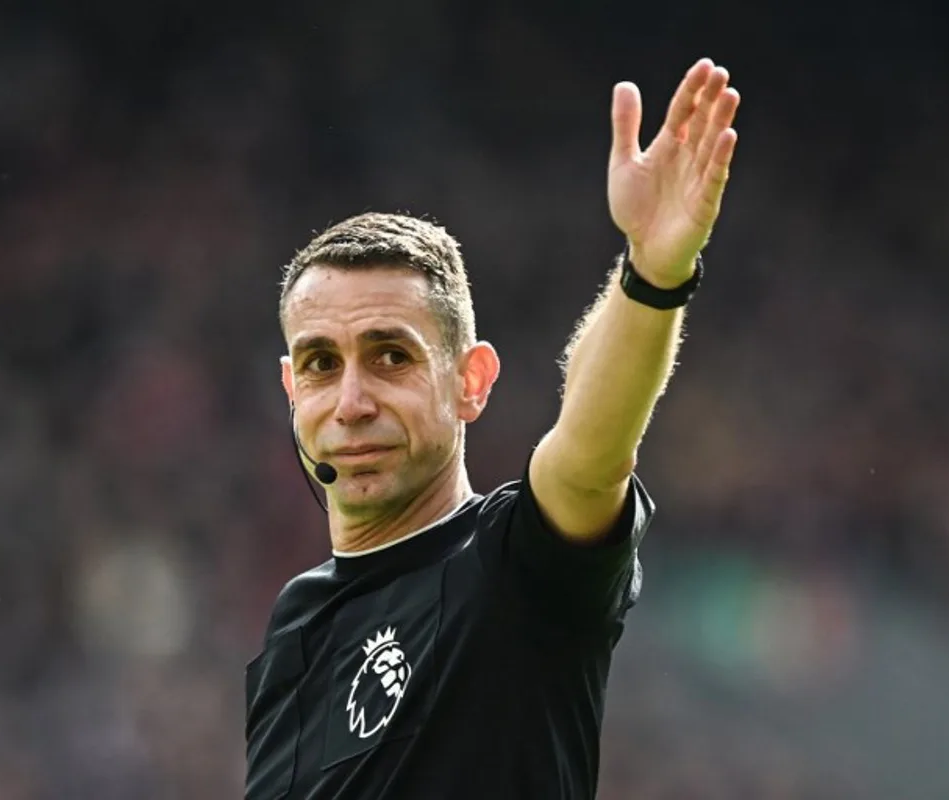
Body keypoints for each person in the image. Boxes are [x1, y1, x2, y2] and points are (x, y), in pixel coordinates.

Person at [245, 58, 740, 800]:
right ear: (291, 389)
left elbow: (589, 454)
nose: (351, 401)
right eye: (321, 363)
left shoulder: (515, 566)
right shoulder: (297, 626)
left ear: (470, 382)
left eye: (390, 356)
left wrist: (651, 274)